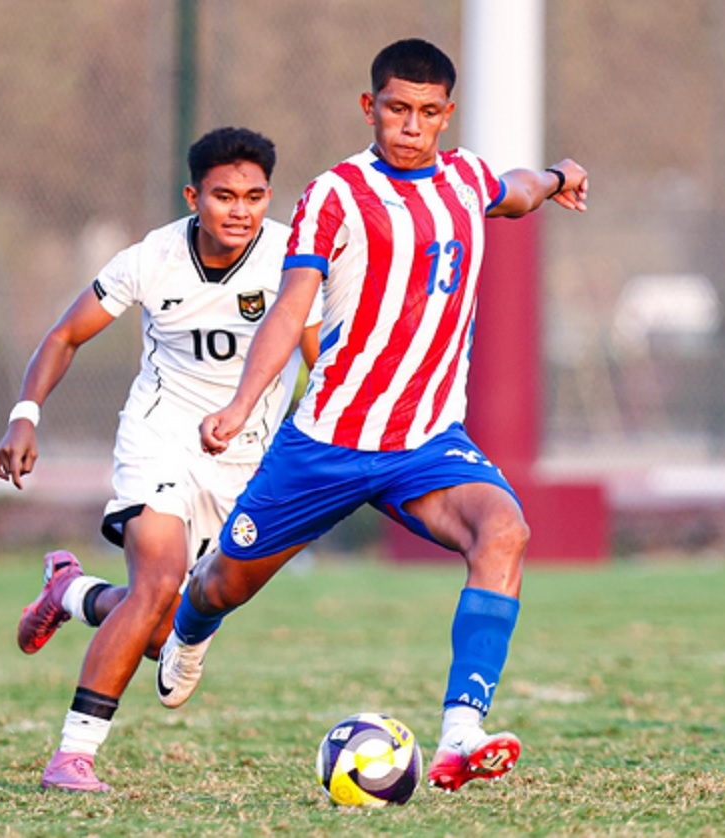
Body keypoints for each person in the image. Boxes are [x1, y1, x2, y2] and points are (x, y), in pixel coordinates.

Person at [155, 39, 589, 793]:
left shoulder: (465, 179)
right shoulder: (335, 194)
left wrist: (555, 177)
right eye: (397, 109)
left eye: (428, 112)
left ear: (447, 115)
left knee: (504, 530)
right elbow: (291, 308)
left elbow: (514, 191)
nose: (411, 126)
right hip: (327, 443)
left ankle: (461, 732)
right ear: (370, 107)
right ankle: (190, 630)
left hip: (425, 442)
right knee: (223, 584)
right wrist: (241, 404)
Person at [0, 126, 320, 792]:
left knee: (159, 627)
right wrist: (25, 414)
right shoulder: (151, 258)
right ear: (193, 197)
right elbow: (65, 335)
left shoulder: (294, 260)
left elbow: (324, 363)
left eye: (254, 197)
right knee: (157, 583)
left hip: (245, 463)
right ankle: (72, 757)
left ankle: (70, 592)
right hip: (160, 438)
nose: (240, 211)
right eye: (224, 196)